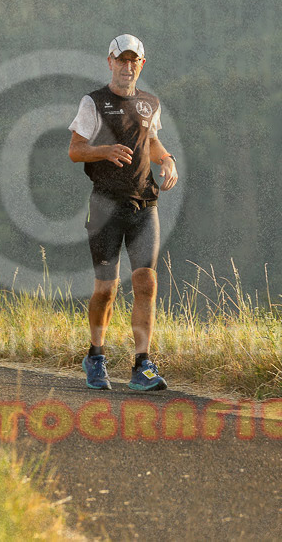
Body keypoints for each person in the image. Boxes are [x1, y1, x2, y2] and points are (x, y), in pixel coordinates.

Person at [68, 34, 179, 391]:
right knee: (106, 289)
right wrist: (105, 151)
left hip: (144, 204)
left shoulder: (150, 103)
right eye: (122, 60)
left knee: (146, 281)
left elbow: (151, 138)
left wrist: (167, 159)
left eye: (134, 61)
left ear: (141, 65)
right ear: (110, 62)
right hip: (105, 206)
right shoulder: (94, 102)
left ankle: (142, 364)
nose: (127, 67)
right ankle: (96, 356)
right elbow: (75, 150)